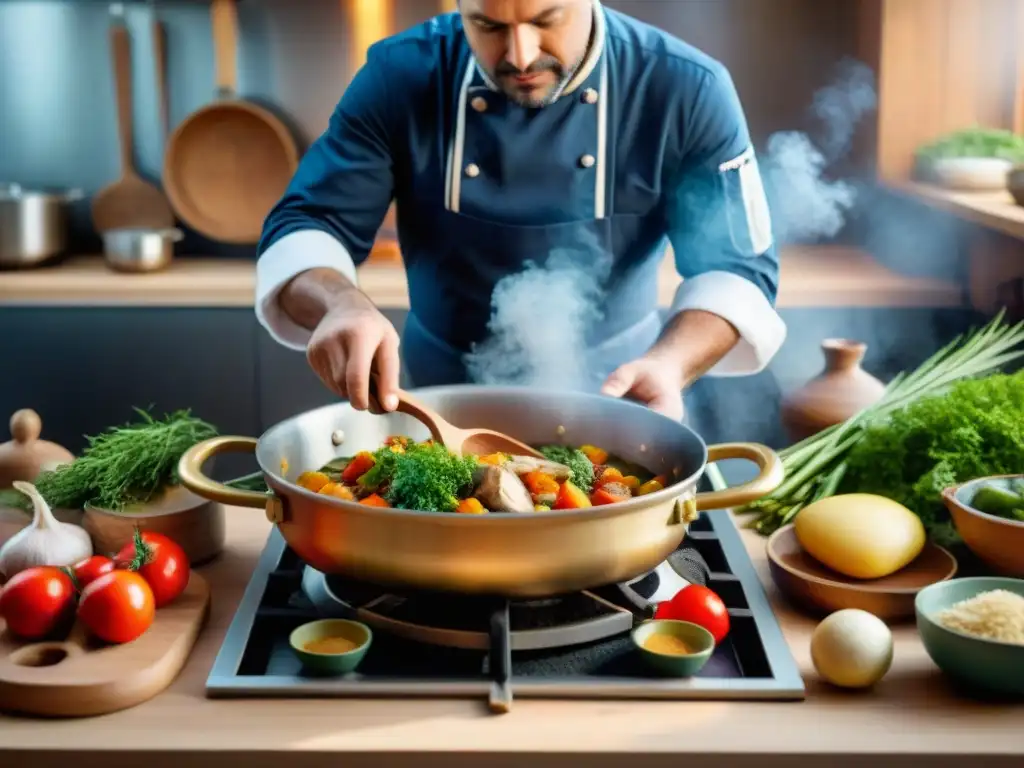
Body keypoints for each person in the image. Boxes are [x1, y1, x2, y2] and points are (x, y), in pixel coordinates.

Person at [255, 0, 785, 422]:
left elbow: (735, 270)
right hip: (431, 399)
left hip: (621, 401)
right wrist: (340, 303)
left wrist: (669, 365)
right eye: (486, 24)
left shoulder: (685, 87)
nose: (521, 54)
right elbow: (308, 224)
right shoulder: (399, 76)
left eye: (545, 19)